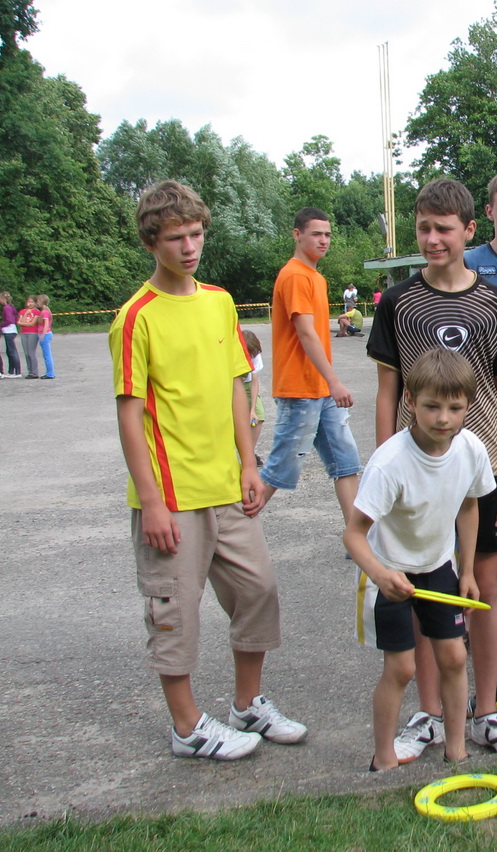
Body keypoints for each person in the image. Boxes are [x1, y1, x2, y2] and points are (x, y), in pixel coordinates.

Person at [109, 180, 305, 761]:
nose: (190, 247)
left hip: (226, 485)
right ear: (152, 242)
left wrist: (249, 463)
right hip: (172, 497)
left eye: (196, 234)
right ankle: (188, 727)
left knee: (258, 591)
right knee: (175, 611)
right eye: (176, 238)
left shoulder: (219, 301)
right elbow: (130, 414)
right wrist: (151, 502)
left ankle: (247, 706)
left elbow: (236, 388)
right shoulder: (135, 318)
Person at [367, 177, 497, 758]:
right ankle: (430, 714)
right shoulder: (397, 302)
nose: (433, 239)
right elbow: (387, 390)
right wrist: (386, 467)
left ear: (469, 230)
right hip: (415, 474)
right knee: (423, 587)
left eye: (444, 228)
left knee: (481, 587)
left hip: (482, 468)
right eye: (424, 228)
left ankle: (487, 712)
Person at [345, 348, 493, 770]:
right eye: (432, 406)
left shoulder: (471, 449)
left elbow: (468, 505)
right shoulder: (390, 462)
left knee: (455, 658)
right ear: (410, 400)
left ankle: (456, 751)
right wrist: (380, 574)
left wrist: (467, 570)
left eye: (454, 408)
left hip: (438, 566)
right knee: (401, 669)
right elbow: (353, 534)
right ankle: (383, 760)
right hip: (388, 570)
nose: (443, 418)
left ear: (468, 406)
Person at [260, 208, 362, 530]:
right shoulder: (295, 275)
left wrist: (328, 384)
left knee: (346, 463)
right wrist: (335, 381)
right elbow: (306, 333)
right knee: (280, 469)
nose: (323, 240)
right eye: (316, 233)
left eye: (327, 234)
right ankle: (229, 531)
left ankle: (357, 539)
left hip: (321, 390)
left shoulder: (317, 278)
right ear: (297, 234)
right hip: (300, 389)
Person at [242, 330, 266, 466]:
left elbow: (254, 382)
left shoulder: (255, 354)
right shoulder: (234, 353)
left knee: (259, 415)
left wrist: (252, 410)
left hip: (248, 385)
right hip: (233, 385)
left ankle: (249, 453)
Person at [0, 292, 21, 378]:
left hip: (9, 330)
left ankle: (17, 371)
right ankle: (11, 371)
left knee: (12, 351)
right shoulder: (11, 307)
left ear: (2, 299)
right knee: (9, 351)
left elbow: (9, 320)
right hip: (12, 329)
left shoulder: (6, 308)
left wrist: (0, 325)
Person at [17, 296, 41, 379]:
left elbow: (32, 323)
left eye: (32, 302)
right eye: (28, 302)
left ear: (35, 303)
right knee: (26, 354)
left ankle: (34, 372)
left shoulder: (36, 312)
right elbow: (20, 322)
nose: (30, 304)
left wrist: (22, 323)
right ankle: (30, 371)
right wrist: (26, 314)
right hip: (24, 333)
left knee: (31, 353)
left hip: (33, 333)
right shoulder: (22, 311)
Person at [36, 294, 55, 379]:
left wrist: (42, 335)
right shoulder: (44, 311)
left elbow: (46, 324)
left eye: (38, 301)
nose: (37, 303)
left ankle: (50, 373)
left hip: (45, 334)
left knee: (47, 355)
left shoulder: (45, 312)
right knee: (46, 355)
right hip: (46, 334)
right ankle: (49, 372)